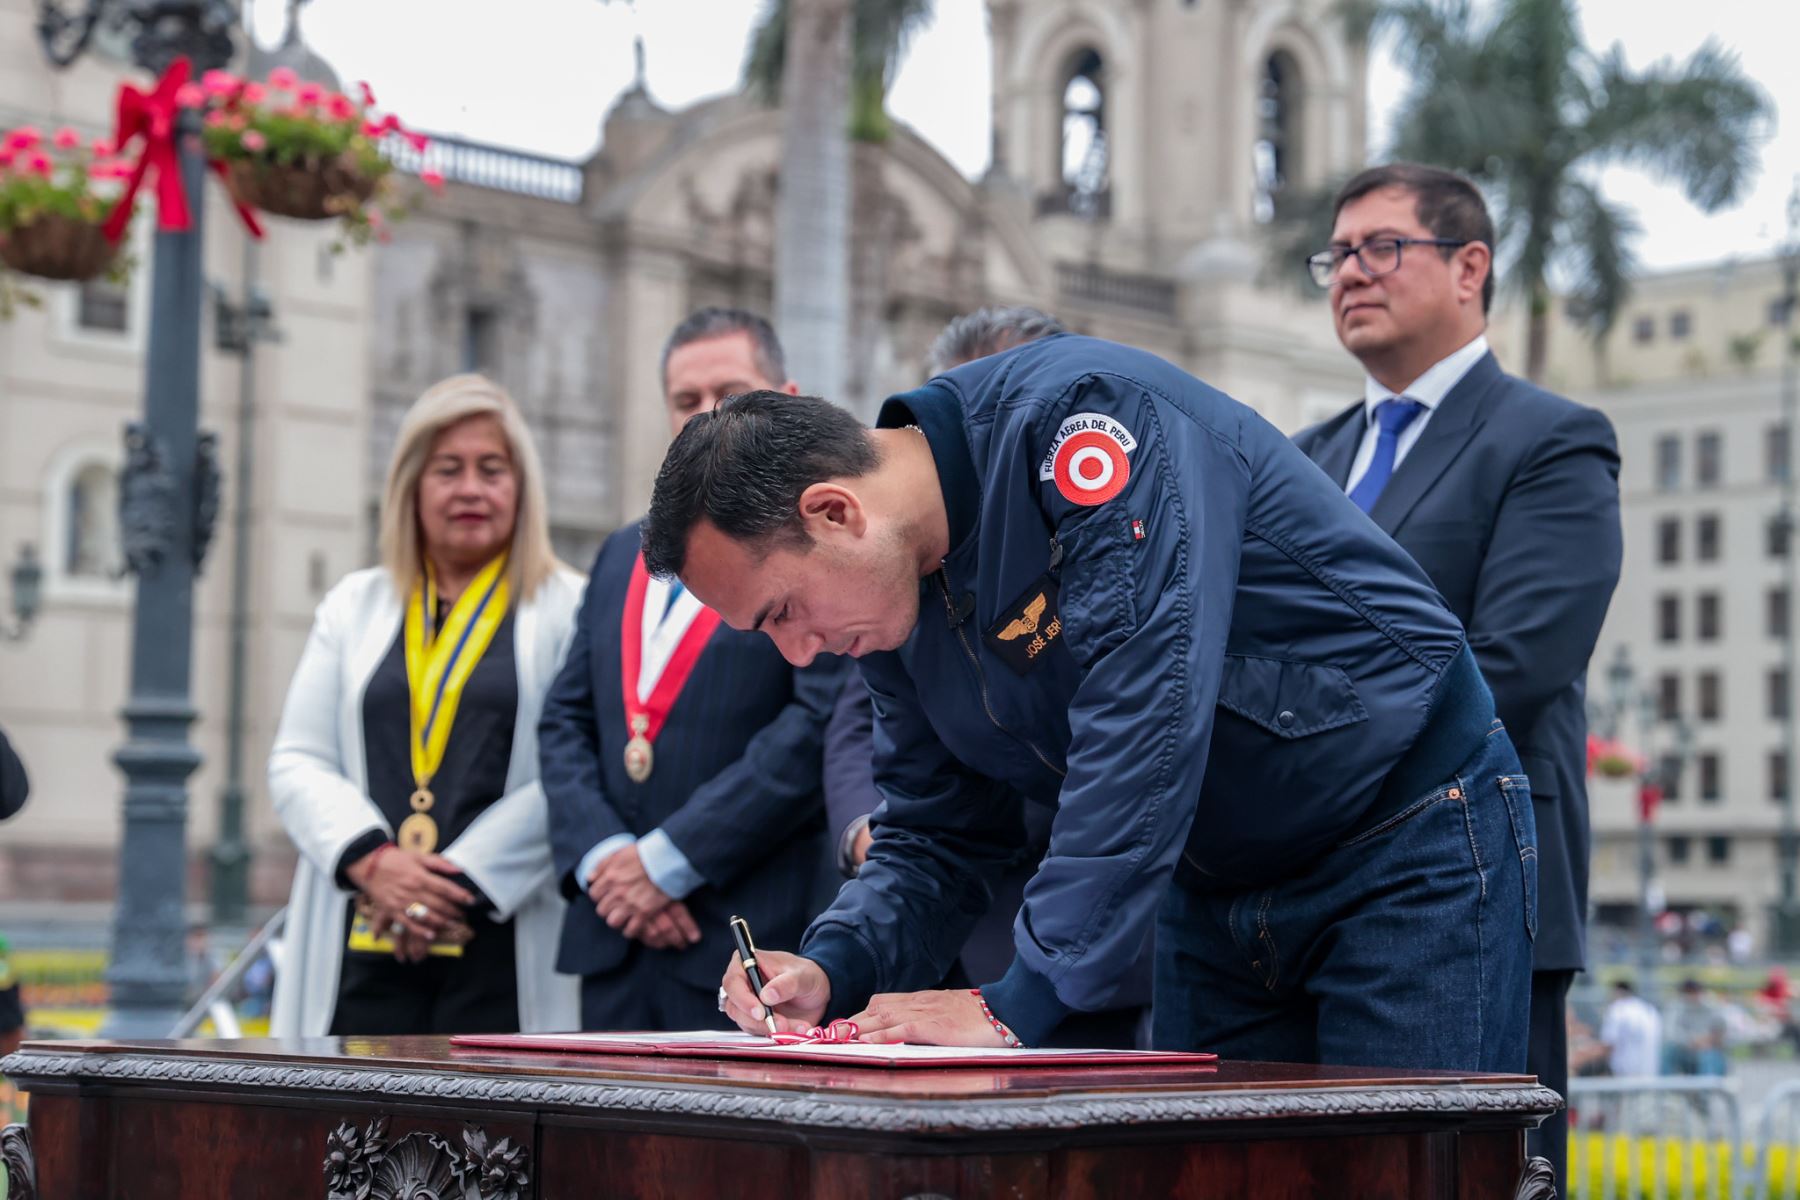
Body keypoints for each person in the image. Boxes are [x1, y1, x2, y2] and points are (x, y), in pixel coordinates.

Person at [647, 333, 1536, 1070]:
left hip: (1403, 840)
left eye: (784, 613)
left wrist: (1016, 1004)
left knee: (1413, 1172)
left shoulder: (1091, 422)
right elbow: (936, 827)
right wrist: (834, 965)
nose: (800, 650)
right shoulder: (889, 603)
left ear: (835, 513)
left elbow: (1145, 715)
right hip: (1212, 885)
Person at [1292, 162, 1621, 1183]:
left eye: (1382, 247)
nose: (1352, 272)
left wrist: (1304, 761)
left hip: (1483, 878)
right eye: (1336, 255)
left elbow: (1513, 665)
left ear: (1470, 265)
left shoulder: (1550, 441)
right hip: (1297, 899)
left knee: (1469, 1178)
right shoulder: (1303, 459)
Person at [824, 305, 1147, 1049]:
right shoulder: (905, 581)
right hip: (964, 928)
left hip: (1116, 939)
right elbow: (883, 742)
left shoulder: (1112, 515)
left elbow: (1137, 726)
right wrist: (839, 950)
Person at [540, 308, 845, 1033]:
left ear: (788, 402)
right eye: (686, 401)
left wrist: (669, 862)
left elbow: (813, 725)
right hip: (614, 941)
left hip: (746, 941)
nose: (706, 417)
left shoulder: (817, 546)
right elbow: (565, 719)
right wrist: (611, 863)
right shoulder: (621, 554)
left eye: (731, 394)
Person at [268, 374, 582, 1036]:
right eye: (448, 469)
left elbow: (575, 766)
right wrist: (377, 864)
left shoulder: (569, 609)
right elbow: (299, 759)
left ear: (522, 489)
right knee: (346, 1131)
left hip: (501, 936)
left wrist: (448, 887)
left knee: (497, 1135)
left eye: (491, 469)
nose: (470, 488)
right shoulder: (354, 605)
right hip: (361, 930)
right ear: (410, 487)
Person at [1665, 979, 1728, 1076]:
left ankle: (1708, 1088)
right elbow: (1672, 1034)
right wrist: (1693, 1041)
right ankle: (1662, 1087)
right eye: (1688, 993)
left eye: (1694, 992)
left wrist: (1710, 1040)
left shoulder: (1711, 1007)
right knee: (1668, 1051)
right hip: (1684, 1051)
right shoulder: (1677, 1007)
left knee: (1709, 1056)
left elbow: (1722, 1029)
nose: (1692, 997)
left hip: (1708, 1051)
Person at [1599, 981, 1662, 1077]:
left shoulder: (1617, 1009)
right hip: (1650, 1072)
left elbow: (1608, 1045)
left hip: (1624, 1072)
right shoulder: (1649, 1009)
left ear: (1617, 992)